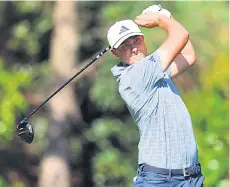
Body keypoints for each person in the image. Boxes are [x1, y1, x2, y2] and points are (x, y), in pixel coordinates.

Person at [106, 4, 204, 187]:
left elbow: (189, 56)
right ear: (115, 52)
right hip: (161, 181)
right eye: (124, 45)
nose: (133, 48)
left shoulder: (155, 71)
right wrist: (161, 18)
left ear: (143, 39)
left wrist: (167, 17)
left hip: (191, 178)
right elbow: (181, 35)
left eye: (135, 40)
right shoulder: (136, 76)